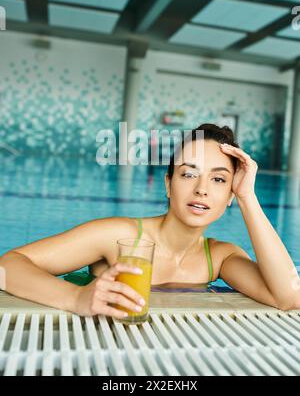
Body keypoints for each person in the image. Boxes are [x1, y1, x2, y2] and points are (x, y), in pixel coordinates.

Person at [0, 123, 299, 318]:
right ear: (168, 184)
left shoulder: (220, 257)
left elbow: (289, 297)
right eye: (189, 173)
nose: (202, 189)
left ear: (231, 193)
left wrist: (249, 197)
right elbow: (7, 266)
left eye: (219, 179)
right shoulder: (118, 236)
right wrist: (77, 298)